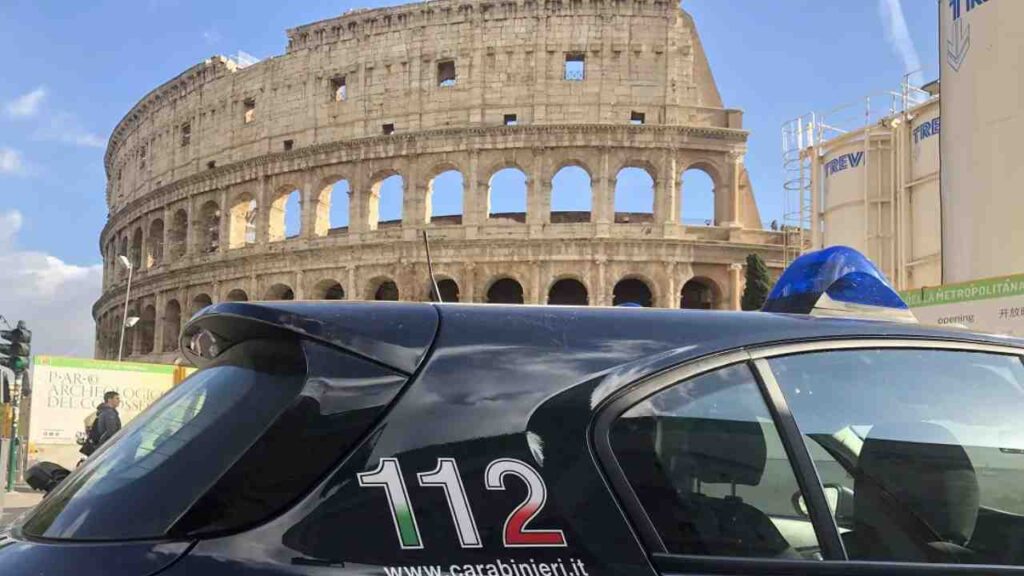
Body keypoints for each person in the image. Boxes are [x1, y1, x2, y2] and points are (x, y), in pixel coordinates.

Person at [80, 391, 122, 457]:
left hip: (99, 446)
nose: (119, 401)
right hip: (106, 448)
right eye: (117, 398)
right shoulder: (109, 413)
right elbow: (111, 433)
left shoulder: (103, 411)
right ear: (109, 400)